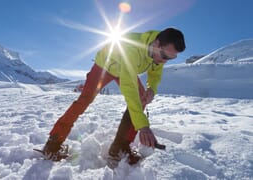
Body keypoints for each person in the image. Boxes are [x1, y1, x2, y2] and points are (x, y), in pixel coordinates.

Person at [42, 27, 186, 165]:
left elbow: (155, 73)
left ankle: (119, 148)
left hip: (125, 70)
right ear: (156, 43)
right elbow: (129, 88)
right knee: (84, 100)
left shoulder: (159, 52)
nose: (165, 61)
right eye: (165, 56)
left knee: (141, 99)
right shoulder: (133, 48)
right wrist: (143, 126)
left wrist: (152, 89)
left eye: (171, 58)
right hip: (104, 66)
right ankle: (53, 143)